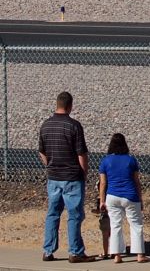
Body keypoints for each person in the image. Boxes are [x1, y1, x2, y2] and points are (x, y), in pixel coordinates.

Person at [38, 91, 95, 263]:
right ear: (70, 105)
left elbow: (42, 151)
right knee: (74, 215)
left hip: (53, 176)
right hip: (71, 176)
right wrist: (84, 173)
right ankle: (75, 251)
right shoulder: (74, 126)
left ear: (57, 104)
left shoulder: (45, 125)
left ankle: (48, 250)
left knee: (53, 213)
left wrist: (50, 164)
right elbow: (81, 154)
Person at [99, 133, 150, 264]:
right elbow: (136, 181)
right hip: (130, 195)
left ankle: (117, 255)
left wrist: (102, 201)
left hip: (112, 196)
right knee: (136, 225)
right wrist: (140, 199)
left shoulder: (105, 161)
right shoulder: (131, 160)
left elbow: (103, 183)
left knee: (115, 225)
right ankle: (139, 255)